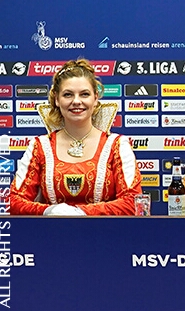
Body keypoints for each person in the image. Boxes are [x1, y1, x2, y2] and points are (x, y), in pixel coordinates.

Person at [11, 58, 142, 215]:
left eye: (84, 94)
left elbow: (133, 202)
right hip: (51, 230)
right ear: (57, 99)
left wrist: (81, 213)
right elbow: (14, 202)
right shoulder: (40, 146)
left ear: (95, 98)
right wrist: (49, 210)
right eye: (68, 95)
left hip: (106, 231)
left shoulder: (117, 145)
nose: (76, 101)